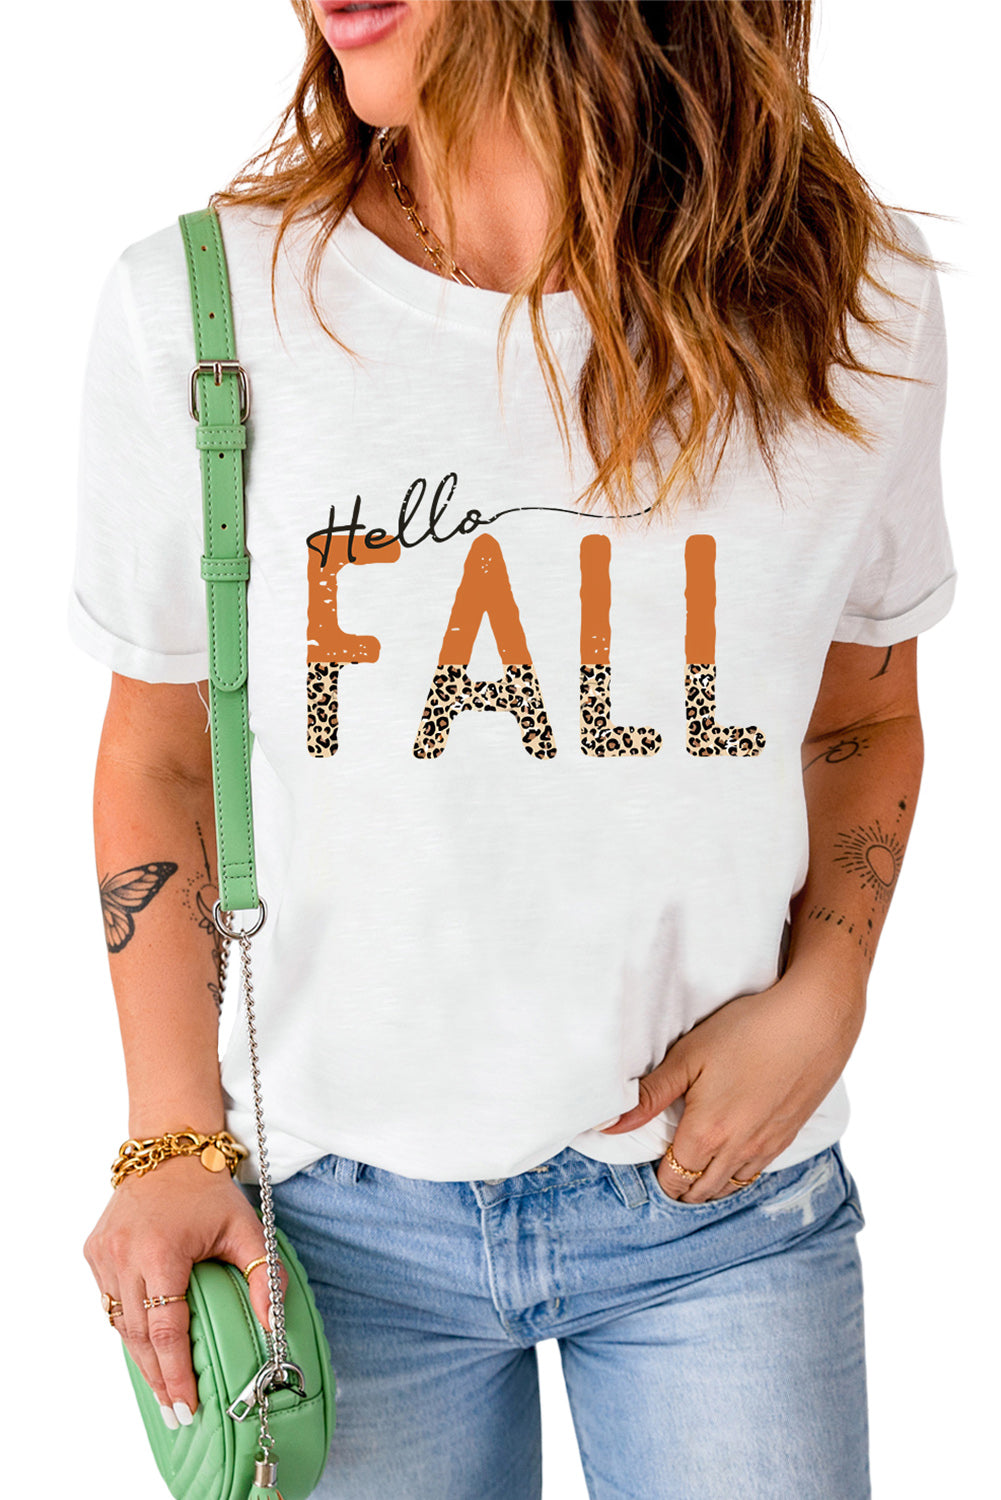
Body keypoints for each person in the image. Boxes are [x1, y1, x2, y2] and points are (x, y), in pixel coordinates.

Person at [73, 2, 956, 1495]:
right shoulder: (206, 312)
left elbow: (862, 713)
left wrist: (831, 986)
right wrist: (170, 1137)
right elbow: (160, 751)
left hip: (721, 1210)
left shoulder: (854, 302)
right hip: (331, 1236)